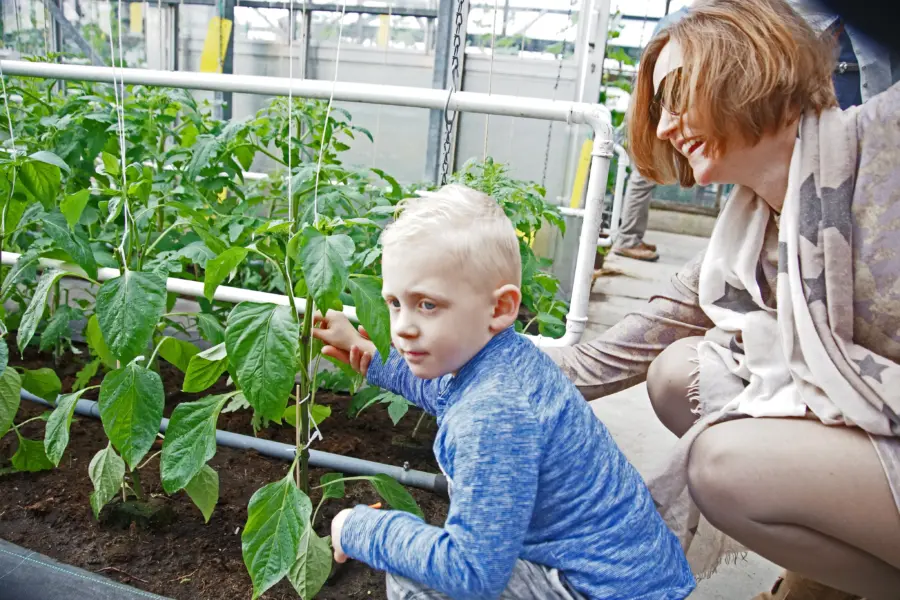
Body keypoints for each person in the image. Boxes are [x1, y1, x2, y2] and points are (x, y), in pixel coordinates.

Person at [545, 1, 900, 599]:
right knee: (676, 373)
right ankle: (826, 584)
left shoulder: (882, 146)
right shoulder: (746, 237)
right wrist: (441, 366)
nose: (663, 127)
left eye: (677, 93)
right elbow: (601, 359)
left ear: (750, 67)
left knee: (723, 463)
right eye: (658, 107)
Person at [313, 184, 695, 599]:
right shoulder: (506, 363)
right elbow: (445, 391)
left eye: (427, 305)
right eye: (394, 303)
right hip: (628, 578)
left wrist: (360, 528)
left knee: (416, 577)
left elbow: (473, 574)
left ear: (500, 308)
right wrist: (366, 352)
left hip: (597, 590)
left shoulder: (492, 414)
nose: (402, 325)